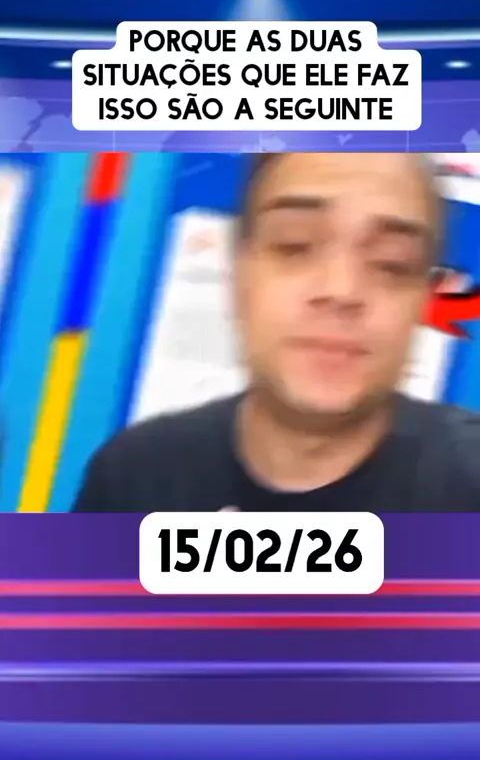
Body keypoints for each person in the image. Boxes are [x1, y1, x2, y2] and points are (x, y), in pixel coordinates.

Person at [74, 152, 480, 512]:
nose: (341, 289)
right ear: (238, 272)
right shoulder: (133, 479)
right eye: (294, 244)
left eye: (393, 263)